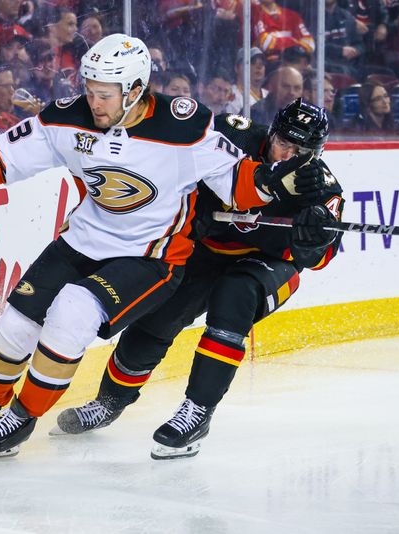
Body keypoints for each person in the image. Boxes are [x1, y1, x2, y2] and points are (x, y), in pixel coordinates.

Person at [0, 34, 322, 460]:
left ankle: (22, 415)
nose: (94, 102)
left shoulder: (186, 126)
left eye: (105, 94)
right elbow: (5, 157)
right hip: (83, 239)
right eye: (90, 90)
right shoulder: (70, 118)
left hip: (150, 256)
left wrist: (274, 185)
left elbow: (237, 184)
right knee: (16, 322)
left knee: (72, 312)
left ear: (136, 90)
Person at [55, 99, 345, 460]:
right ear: (270, 133)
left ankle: (197, 412)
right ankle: (110, 401)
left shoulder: (322, 190)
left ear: (318, 151)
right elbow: (176, 164)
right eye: (284, 142)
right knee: (157, 319)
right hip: (206, 251)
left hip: (266, 267)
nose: (289, 154)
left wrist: (313, 238)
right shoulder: (231, 136)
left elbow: (319, 259)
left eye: (302, 150)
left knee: (233, 298)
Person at [226, 47, 268, 114]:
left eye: (262, 63)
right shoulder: (231, 94)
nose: (259, 67)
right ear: (237, 68)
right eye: (252, 62)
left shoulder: (269, 95)